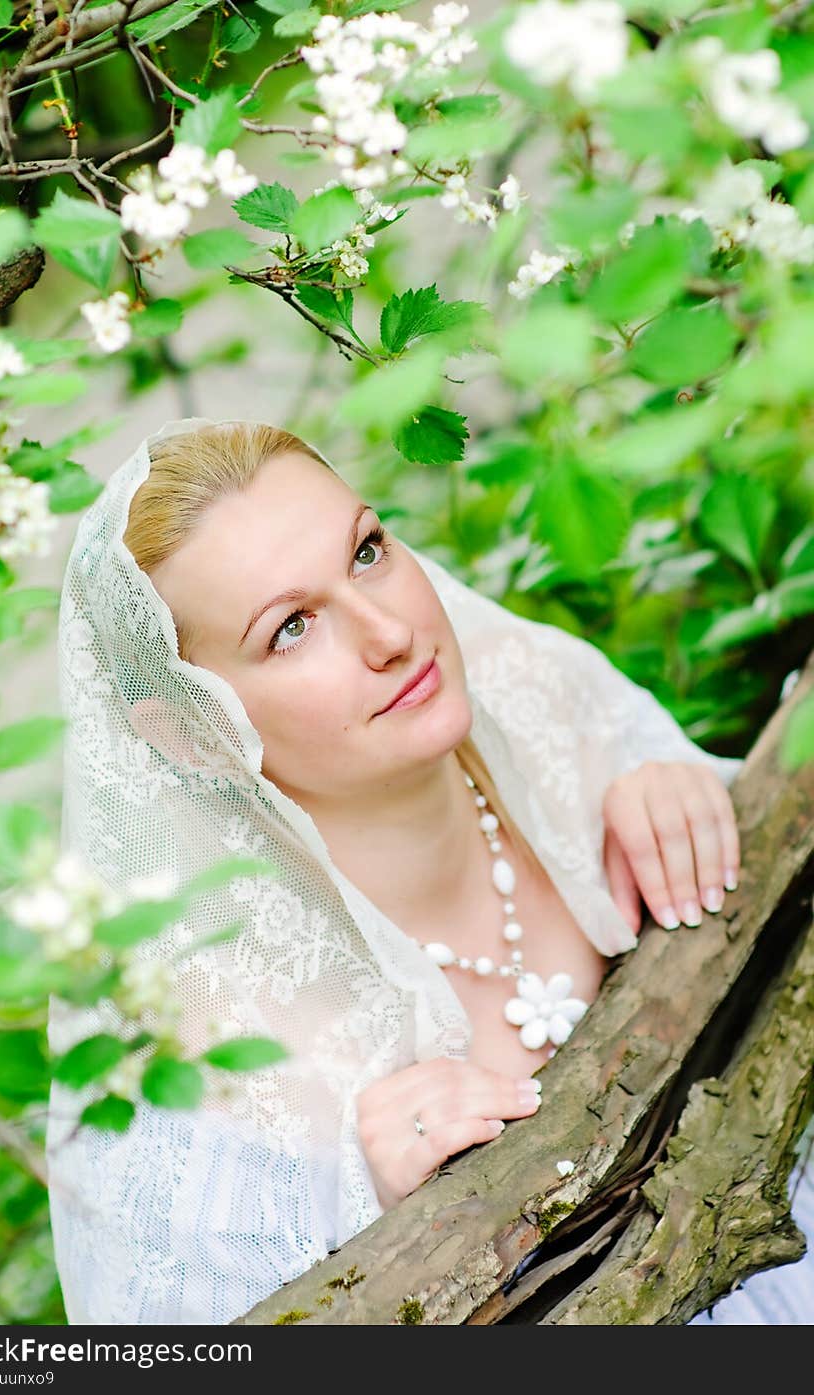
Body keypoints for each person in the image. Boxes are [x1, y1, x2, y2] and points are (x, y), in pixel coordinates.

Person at [46, 417, 803, 1324]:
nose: (390, 631)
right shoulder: (201, 1086)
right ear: (192, 735)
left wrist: (704, 803)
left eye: (367, 551)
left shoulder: (561, 730)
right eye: (291, 627)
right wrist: (374, 1237)